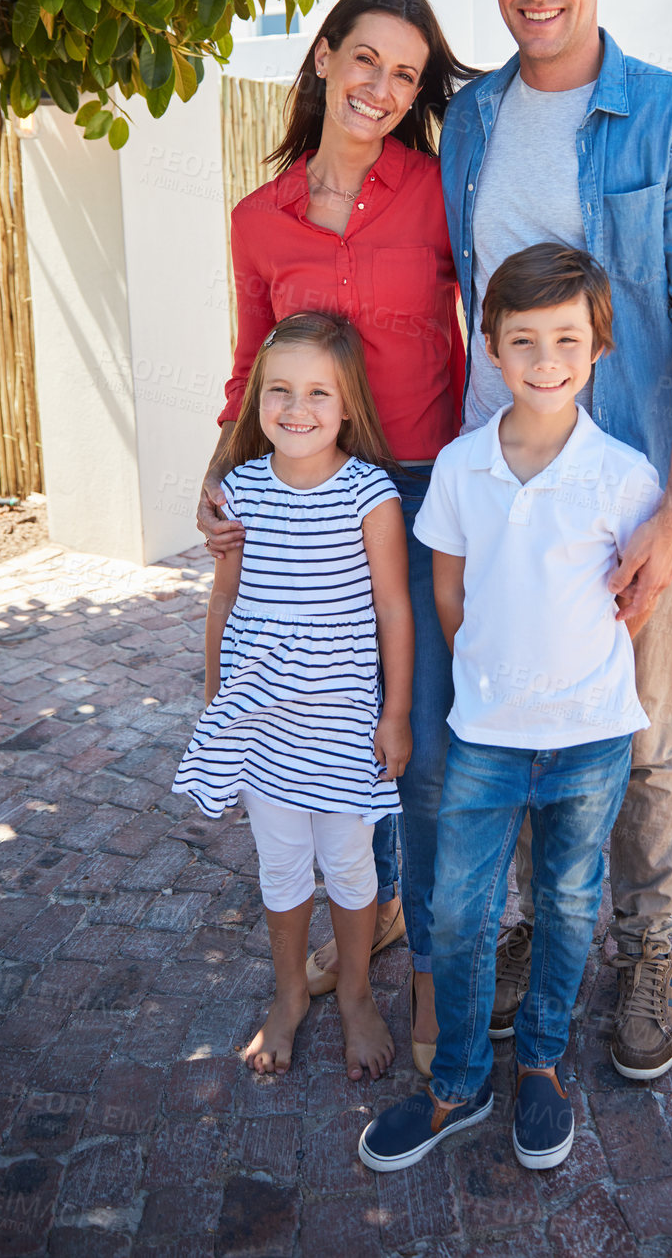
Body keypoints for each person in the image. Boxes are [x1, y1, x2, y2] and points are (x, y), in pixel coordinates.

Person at [439, 0, 672, 1081]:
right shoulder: (468, 120)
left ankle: (644, 948)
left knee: (642, 738)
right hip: (499, 487)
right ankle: (531, 927)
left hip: (626, 503)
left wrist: (671, 513)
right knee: (515, 716)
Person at [196, 0, 476, 1073]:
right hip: (305, 493)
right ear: (321, 58)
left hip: (419, 484)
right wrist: (220, 480)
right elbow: (250, 362)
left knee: (416, 734)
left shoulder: (439, 190)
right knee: (322, 711)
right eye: (366, 60)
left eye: (406, 74)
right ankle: (373, 913)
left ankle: (419, 974)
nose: (382, 88)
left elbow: (490, 321)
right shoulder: (256, 219)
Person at [359, 244, 660, 1173]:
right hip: (486, 735)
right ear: (490, 346)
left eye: (566, 338)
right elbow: (448, 597)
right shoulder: (458, 469)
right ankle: (456, 1081)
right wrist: (495, 674)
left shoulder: (625, 476)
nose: (544, 358)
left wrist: (579, 690)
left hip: (589, 739)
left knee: (570, 906)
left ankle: (540, 1066)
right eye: (522, 339)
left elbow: (631, 609)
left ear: (598, 346)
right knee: (458, 909)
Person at [175, 312, 413, 1080]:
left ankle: (353, 995)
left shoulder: (368, 493)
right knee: (280, 866)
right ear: (257, 401)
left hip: (341, 720)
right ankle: (288, 996)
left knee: (349, 867)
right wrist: (216, 692)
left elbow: (392, 610)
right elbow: (223, 601)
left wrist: (396, 712)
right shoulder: (241, 489)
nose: (297, 408)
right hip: (263, 721)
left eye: (319, 393)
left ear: (348, 407)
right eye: (279, 390)